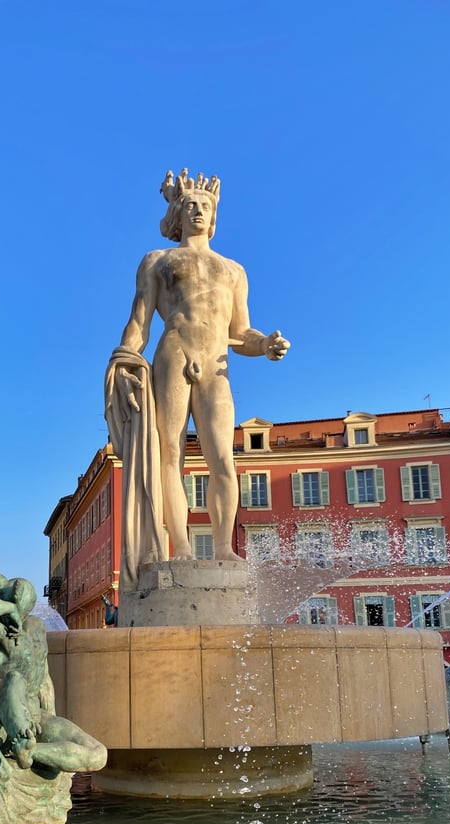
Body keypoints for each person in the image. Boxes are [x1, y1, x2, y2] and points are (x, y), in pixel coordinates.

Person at [105, 169, 289, 586]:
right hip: (173, 354)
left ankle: (224, 547)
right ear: (178, 213)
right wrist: (126, 359)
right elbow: (139, 323)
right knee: (170, 455)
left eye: (205, 205)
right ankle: (182, 549)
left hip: (216, 363)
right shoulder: (158, 261)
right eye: (190, 205)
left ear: (214, 214)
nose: (198, 211)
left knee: (222, 457)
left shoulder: (233, 270)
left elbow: (242, 332)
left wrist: (265, 345)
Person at [0, 567, 106, 773]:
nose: (22, 602)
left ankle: (29, 752)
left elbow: (44, 679)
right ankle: (20, 738)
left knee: (98, 754)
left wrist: (51, 715)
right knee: (14, 679)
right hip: (3, 716)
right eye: (15, 596)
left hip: (36, 716)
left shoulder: (36, 627)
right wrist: (10, 608)